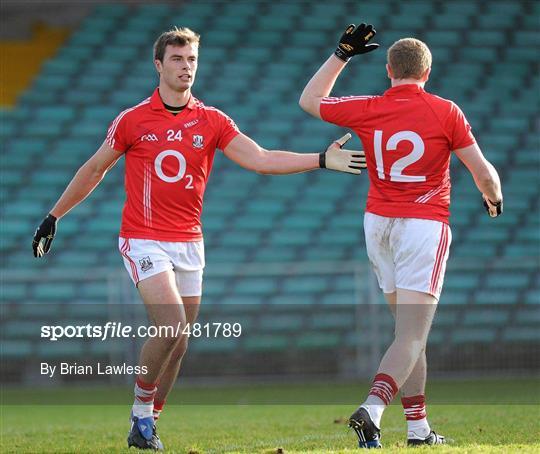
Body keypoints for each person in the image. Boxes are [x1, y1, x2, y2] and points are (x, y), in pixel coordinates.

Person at [31, 27, 366, 451]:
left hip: (189, 241)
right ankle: (139, 411)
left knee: (181, 341)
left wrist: (320, 159)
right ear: (159, 65)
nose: (185, 67)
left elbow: (260, 159)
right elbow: (95, 168)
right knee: (170, 324)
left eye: (191, 60)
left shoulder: (212, 120)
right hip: (143, 237)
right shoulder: (133, 119)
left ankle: (148, 423)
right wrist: (54, 215)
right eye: (176, 59)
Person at [299, 23, 503, 448]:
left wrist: (342, 54)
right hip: (422, 226)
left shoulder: (369, 106)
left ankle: (418, 429)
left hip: (378, 224)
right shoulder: (445, 111)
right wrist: (493, 198)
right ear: (427, 73)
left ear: (389, 70)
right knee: (412, 336)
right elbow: (482, 172)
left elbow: (309, 100)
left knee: (408, 336)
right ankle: (372, 409)